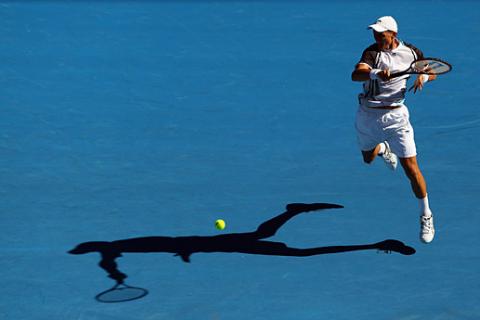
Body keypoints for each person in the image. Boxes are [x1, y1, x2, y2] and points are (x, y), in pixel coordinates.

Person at [351, 16, 436, 243]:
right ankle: (381, 150)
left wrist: (424, 77)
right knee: (367, 159)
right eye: (375, 33)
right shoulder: (372, 53)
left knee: (411, 168)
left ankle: (426, 214)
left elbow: (432, 69)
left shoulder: (411, 53)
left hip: (397, 117)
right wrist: (375, 73)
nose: (377, 37)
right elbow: (356, 74)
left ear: (393, 34)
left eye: (381, 34)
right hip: (368, 116)